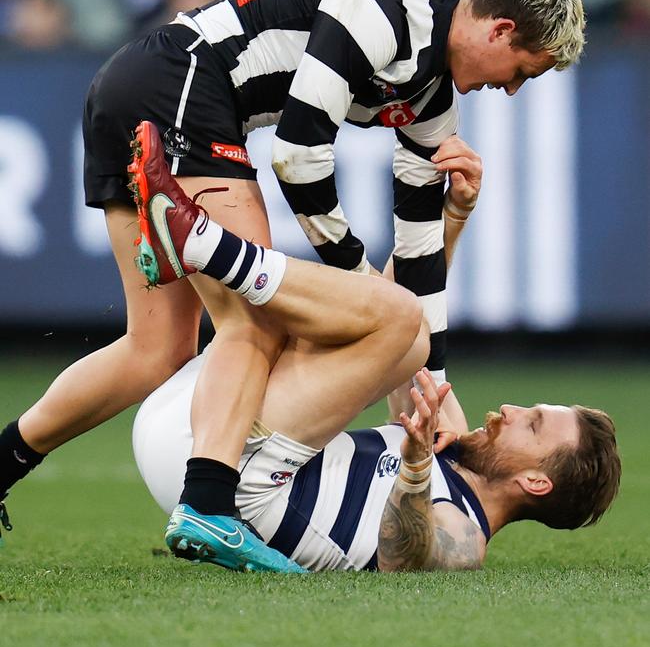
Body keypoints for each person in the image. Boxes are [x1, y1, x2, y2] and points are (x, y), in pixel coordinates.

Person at [0, 0, 584, 572]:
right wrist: (363, 290)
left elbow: (416, 254)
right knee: (259, 315)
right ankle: (207, 504)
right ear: (500, 31)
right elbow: (299, 158)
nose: (514, 89)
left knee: (158, 348)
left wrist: (430, 383)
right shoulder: (387, 10)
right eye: (524, 70)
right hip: (181, 87)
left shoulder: (435, 100)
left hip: (143, 90)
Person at [128, 135, 621, 572]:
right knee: (406, 338)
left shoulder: (464, 531)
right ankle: (183, 166)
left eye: (532, 424)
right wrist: (451, 216)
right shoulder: (446, 430)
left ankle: (202, 244)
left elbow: (403, 557)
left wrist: (415, 466)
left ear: (536, 481)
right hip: (208, 422)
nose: (512, 410)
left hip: (231, 480)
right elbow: (397, 309)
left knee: (401, 331)